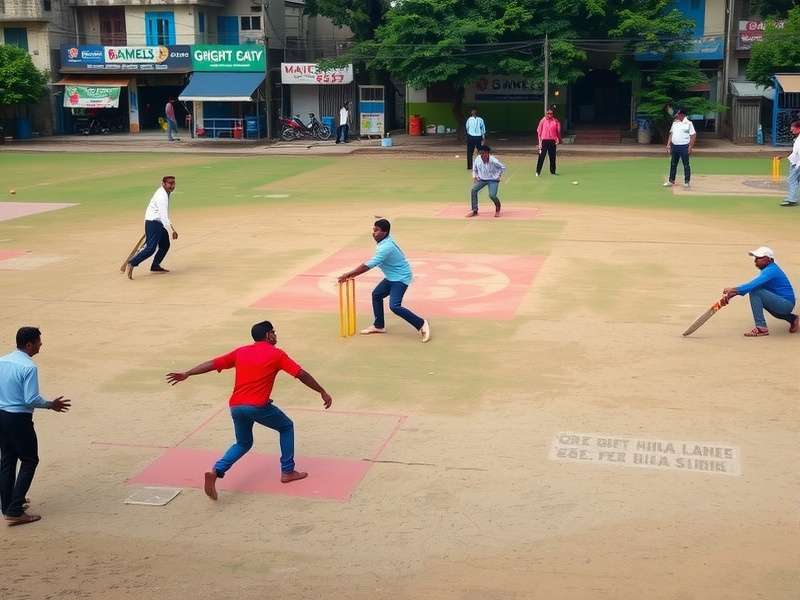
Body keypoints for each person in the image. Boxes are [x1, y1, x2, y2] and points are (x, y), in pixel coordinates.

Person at [166, 321, 333, 501]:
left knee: (243, 443)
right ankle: (287, 471)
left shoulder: (241, 352)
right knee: (286, 427)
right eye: (274, 332)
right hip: (257, 406)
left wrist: (188, 373)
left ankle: (216, 470)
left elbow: (213, 364)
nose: (276, 335)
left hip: (236, 406)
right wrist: (322, 391)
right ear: (268, 335)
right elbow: (301, 374)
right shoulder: (277, 354)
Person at [0, 327, 70, 526]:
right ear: (29, 344)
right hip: (18, 419)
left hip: (1, 415)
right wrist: (50, 404)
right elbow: (30, 399)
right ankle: (15, 510)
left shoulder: (2, 361)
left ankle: (7, 506)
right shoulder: (29, 367)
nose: (41, 344)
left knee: (7, 460)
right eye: (39, 341)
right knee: (29, 460)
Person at [338, 219, 431, 343]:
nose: (373, 233)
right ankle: (379, 325)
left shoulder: (386, 247)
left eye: (377, 230)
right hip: (392, 276)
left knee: (394, 306)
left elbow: (368, 265)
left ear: (385, 232)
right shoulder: (384, 240)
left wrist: (349, 274)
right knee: (376, 295)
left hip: (401, 277)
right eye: (373, 230)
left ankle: (422, 323)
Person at [720, 246, 799, 337]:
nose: (755, 260)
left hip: (785, 304)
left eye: (758, 258)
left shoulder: (771, 271)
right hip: (784, 303)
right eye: (755, 258)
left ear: (768, 259)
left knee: (755, 292)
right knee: (756, 292)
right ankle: (793, 319)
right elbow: (756, 285)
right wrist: (731, 295)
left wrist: (734, 289)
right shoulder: (769, 269)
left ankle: (761, 328)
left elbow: (752, 285)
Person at [126, 176, 179, 279]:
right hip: (153, 222)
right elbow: (164, 216)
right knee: (150, 248)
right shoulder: (162, 196)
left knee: (165, 244)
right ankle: (132, 263)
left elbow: (163, 216)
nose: (172, 186)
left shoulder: (166, 192)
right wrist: (172, 230)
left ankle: (155, 265)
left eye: (173, 183)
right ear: (163, 184)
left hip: (157, 222)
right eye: (170, 183)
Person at [467, 145, 505, 218]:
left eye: (483, 153)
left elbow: (503, 167)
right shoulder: (478, 159)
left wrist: (498, 175)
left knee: (492, 195)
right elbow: (474, 169)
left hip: (493, 180)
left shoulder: (494, 161)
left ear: (488, 153)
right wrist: (475, 176)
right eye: (481, 154)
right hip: (482, 179)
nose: (482, 156)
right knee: (473, 190)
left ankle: (497, 209)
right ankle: (475, 210)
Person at [664, 108, 696, 187]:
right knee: (673, 164)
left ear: (682, 115)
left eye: (678, 114)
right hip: (675, 146)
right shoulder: (675, 123)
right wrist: (668, 144)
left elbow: (693, 135)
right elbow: (671, 134)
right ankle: (671, 181)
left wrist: (690, 147)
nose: (677, 115)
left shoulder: (689, 123)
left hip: (684, 146)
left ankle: (686, 182)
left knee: (686, 164)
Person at [536, 107, 561, 176]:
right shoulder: (543, 120)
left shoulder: (555, 121)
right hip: (544, 141)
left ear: (553, 114)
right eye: (548, 113)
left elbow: (557, 131)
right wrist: (539, 142)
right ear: (546, 113)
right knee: (541, 156)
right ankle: (538, 171)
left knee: (552, 157)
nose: (549, 115)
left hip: (552, 141)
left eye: (551, 113)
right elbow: (539, 131)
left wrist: (557, 139)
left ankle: (553, 172)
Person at [779, 120, 800, 207]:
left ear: (799, 129)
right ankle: (792, 198)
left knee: (792, 180)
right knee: (795, 180)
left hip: (797, 164)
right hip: (796, 162)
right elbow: (795, 152)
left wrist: (797, 166)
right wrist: (785, 156)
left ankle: (792, 200)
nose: (791, 130)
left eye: (793, 129)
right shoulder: (797, 138)